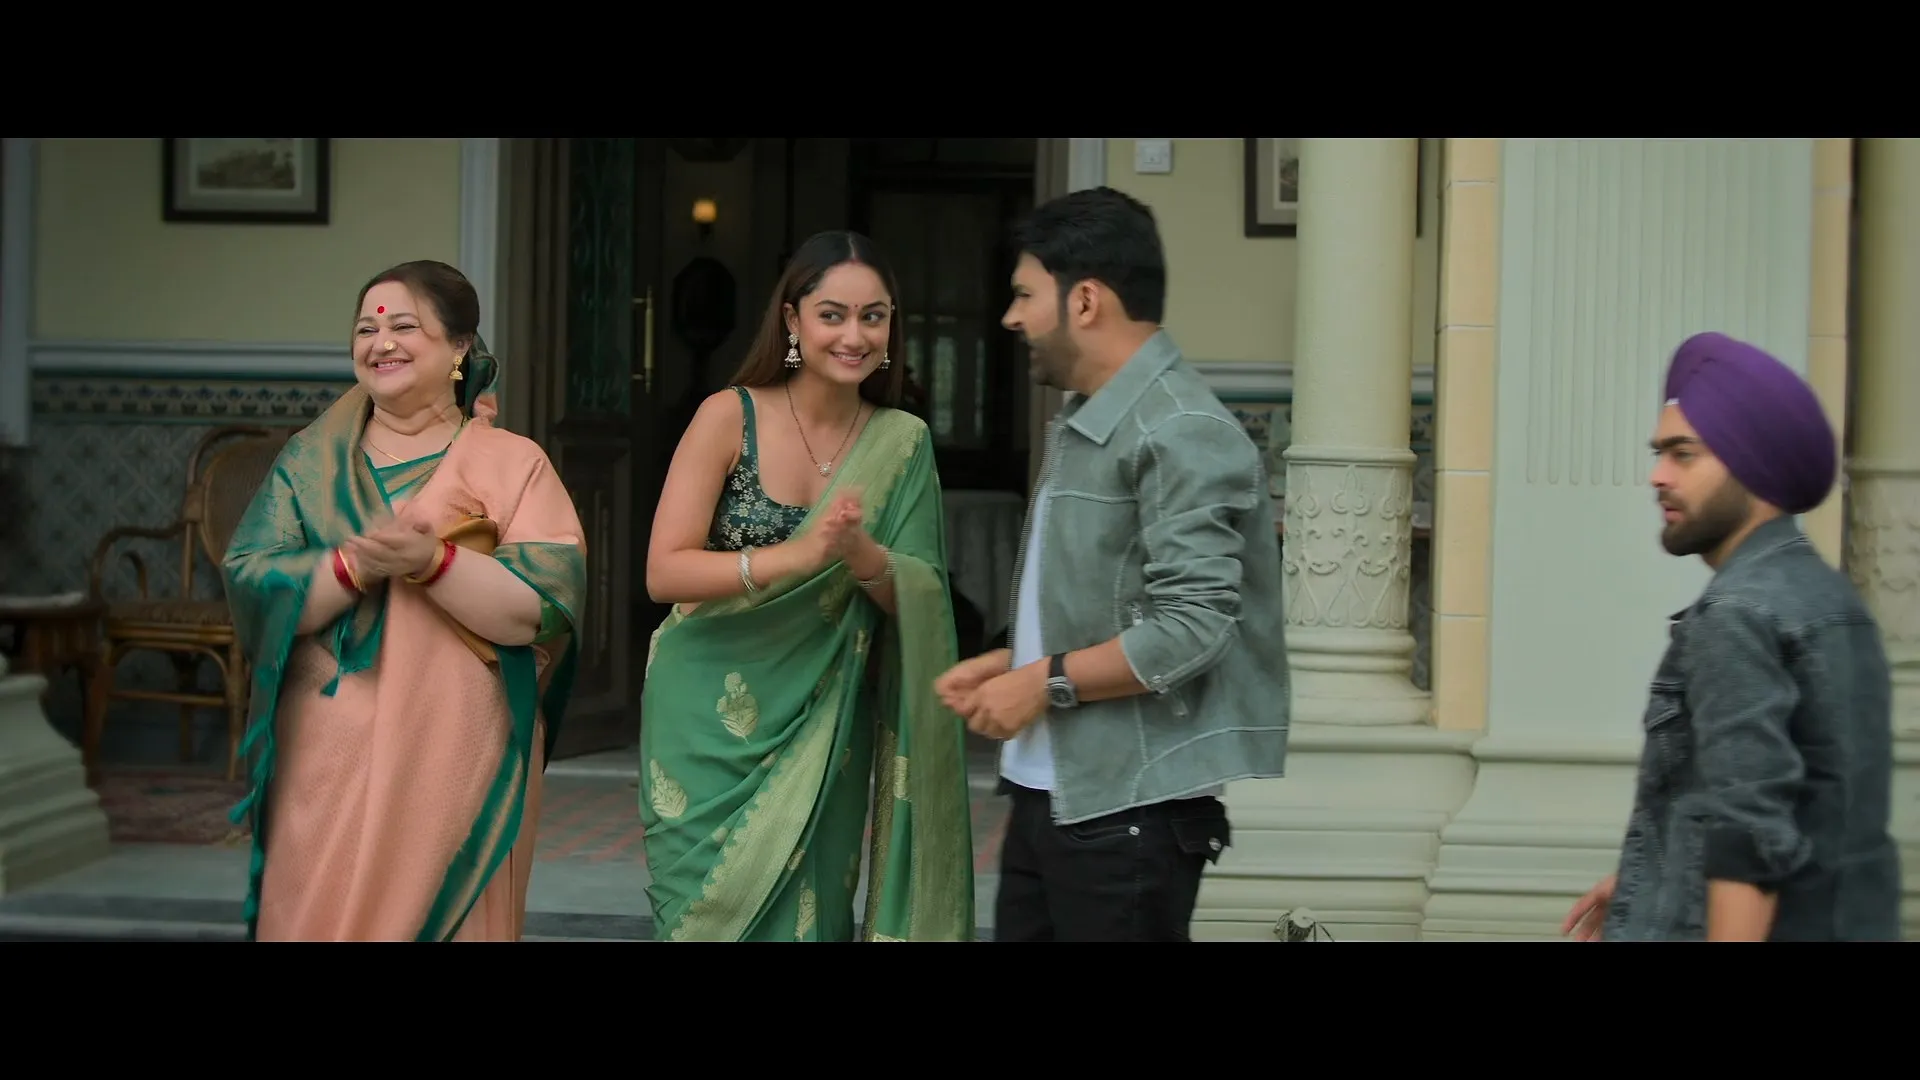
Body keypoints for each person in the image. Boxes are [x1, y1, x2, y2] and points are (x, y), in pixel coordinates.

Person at [935, 186, 1292, 942]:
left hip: (1130, 808)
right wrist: (1013, 662)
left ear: (1086, 300)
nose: (1011, 317)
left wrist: (1041, 680)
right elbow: (1108, 600)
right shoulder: (1091, 419)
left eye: (1024, 294)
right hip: (1055, 795)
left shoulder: (1180, 427)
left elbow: (1194, 627)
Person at [223, 260, 588, 942]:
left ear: (459, 347)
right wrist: (351, 565)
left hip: (459, 748)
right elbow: (253, 584)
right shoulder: (310, 463)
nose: (380, 342)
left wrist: (434, 562)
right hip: (327, 747)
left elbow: (540, 609)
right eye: (366, 329)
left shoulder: (513, 463)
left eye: (404, 327)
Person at [638, 230, 975, 942]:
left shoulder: (901, 441)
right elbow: (664, 571)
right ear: (792, 319)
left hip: (824, 719)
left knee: (812, 916)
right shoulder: (729, 415)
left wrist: (860, 554)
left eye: (873, 316)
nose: (855, 335)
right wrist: (794, 559)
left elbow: (921, 602)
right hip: (703, 716)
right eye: (832, 315)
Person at [1563, 331, 1899, 942]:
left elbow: (1750, 839)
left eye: (1683, 455)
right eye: (1660, 453)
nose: (1657, 476)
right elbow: (1820, 812)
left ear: (1754, 464)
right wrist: (1653, 880)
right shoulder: (1832, 600)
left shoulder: (1737, 613)